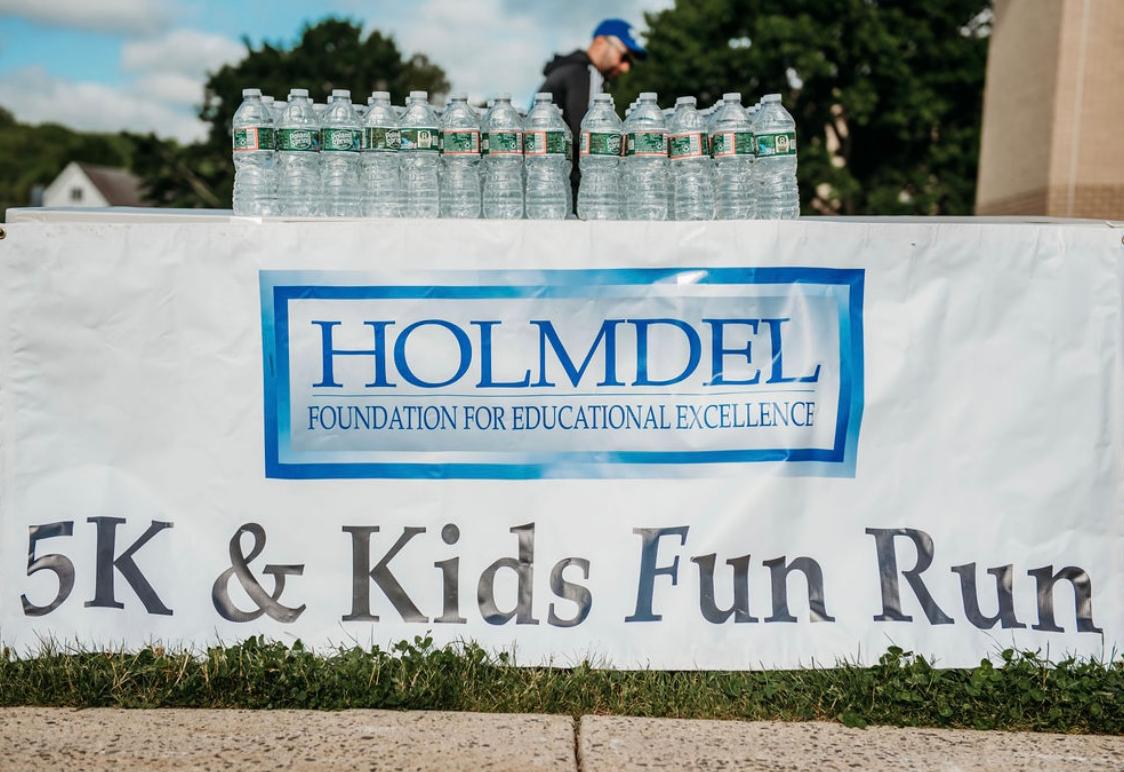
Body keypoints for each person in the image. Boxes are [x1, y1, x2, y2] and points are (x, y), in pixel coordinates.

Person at [539, 18, 647, 208]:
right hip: (569, 192)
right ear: (600, 42)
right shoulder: (584, 73)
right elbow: (585, 136)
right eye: (624, 57)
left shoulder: (567, 70)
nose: (625, 68)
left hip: (549, 188)